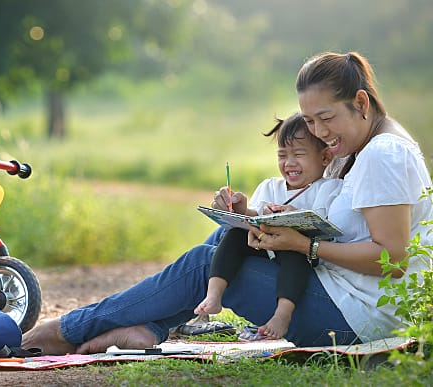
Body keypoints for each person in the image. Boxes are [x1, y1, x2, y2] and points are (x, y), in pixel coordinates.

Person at [22, 51, 433, 354]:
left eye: (327, 118)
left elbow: (392, 259)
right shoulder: (361, 144)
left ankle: (69, 330)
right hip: (343, 297)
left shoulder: (383, 155)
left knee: (204, 263)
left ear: (360, 103)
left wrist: (302, 244)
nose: (320, 132)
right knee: (229, 233)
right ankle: (147, 327)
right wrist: (254, 218)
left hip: (360, 321)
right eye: (309, 121)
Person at [196, 112, 341, 340]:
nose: (289, 163)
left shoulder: (329, 189)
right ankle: (213, 296)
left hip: (301, 255)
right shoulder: (271, 187)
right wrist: (243, 211)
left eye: (299, 155)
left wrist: (295, 216)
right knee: (234, 235)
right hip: (266, 248)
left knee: (294, 254)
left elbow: (326, 227)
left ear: (324, 158)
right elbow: (255, 217)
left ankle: (282, 314)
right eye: (282, 155)